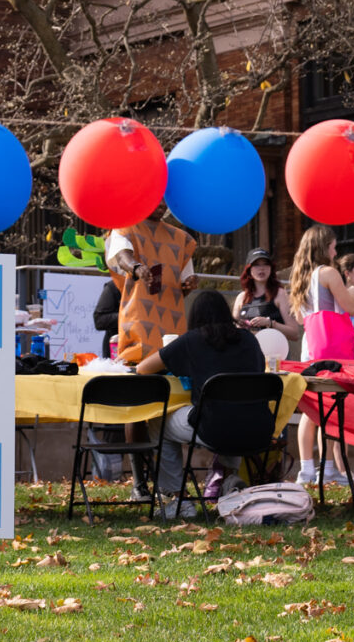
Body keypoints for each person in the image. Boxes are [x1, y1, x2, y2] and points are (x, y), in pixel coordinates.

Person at [135, 288, 270, 519]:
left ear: (195, 317)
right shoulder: (249, 339)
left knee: (159, 421)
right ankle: (229, 480)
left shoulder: (192, 340)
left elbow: (142, 368)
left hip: (214, 427)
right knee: (234, 411)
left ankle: (177, 498)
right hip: (259, 428)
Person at [287, 227, 354, 484]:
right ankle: (327, 468)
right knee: (332, 407)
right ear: (323, 247)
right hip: (334, 350)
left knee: (313, 409)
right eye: (332, 247)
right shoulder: (328, 273)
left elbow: (299, 318)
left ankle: (307, 468)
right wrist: (352, 293)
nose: (335, 252)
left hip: (312, 347)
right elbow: (350, 308)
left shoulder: (301, 278)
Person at [107, 215, 197, 365]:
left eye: (163, 199)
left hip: (173, 322)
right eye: (157, 199)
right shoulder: (125, 227)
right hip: (139, 317)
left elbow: (183, 286)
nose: (161, 203)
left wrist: (189, 283)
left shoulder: (181, 238)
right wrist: (136, 268)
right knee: (138, 362)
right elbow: (122, 257)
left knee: (173, 362)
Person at [232, 249, 299, 347]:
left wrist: (270, 323)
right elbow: (231, 331)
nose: (261, 268)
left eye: (265, 264)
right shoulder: (241, 297)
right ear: (249, 270)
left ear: (271, 268)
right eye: (256, 264)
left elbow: (295, 334)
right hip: (246, 352)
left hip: (273, 354)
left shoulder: (280, 294)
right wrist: (241, 327)